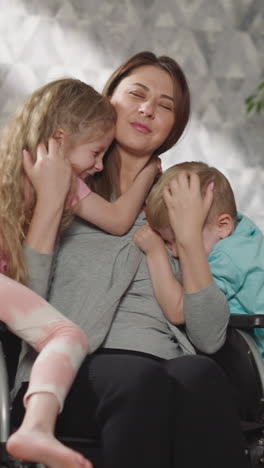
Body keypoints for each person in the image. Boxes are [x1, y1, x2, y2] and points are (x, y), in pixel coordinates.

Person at [12, 52, 250, 468]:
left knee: (202, 375)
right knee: (138, 381)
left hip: (165, 365)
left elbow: (210, 337)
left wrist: (190, 238)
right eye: (137, 94)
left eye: (165, 105)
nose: (147, 109)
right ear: (109, 101)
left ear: (173, 128)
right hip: (71, 371)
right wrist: (50, 203)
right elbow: (24, 305)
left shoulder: (183, 198)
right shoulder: (61, 182)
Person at [0, 78, 160, 468]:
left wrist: (149, 171)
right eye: (95, 152)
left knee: (66, 334)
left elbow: (120, 219)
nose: (99, 165)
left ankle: (36, 429)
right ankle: (36, 428)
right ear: (59, 140)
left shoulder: (67, 183)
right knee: (67, 334)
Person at [134, 160, 264, 355]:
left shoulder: (227, 258)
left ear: (223, 225)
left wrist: (155, 252)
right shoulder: (242, 230)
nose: (175, 252)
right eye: (166, 243)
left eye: (177, 240)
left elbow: (181, 311)